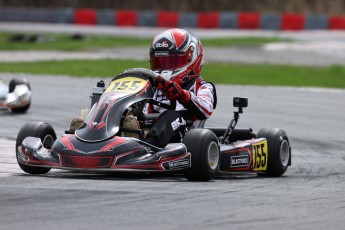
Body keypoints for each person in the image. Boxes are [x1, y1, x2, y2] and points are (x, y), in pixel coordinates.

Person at [144, 28, 217, 148]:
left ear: (192, 58)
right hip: (149, 131)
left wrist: (183, 95)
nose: (164, 68)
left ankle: (148, 148)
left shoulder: (202, 86)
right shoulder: (153, 87)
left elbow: (206, 109)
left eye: (172, 62)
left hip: (186, 139)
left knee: (171, 116)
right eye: (159, 62)